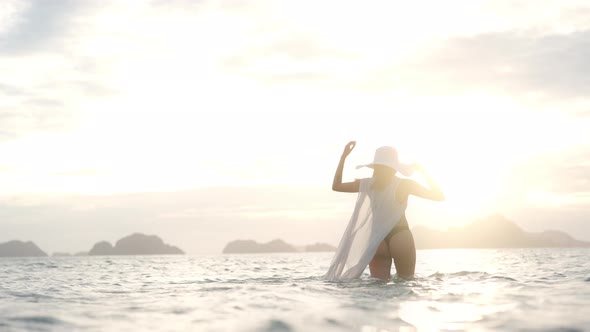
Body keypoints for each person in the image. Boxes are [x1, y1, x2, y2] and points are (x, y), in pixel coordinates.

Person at [325, 141, 444, 281]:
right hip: (401, 236)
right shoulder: (405, 185)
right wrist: (423, 171)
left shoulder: (367, 184)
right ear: (394, 167)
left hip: (377, 241)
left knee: (377, 288)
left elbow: (336, 186)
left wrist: (343, 157)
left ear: (375, 165)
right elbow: (439, 196)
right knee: (406, 282)